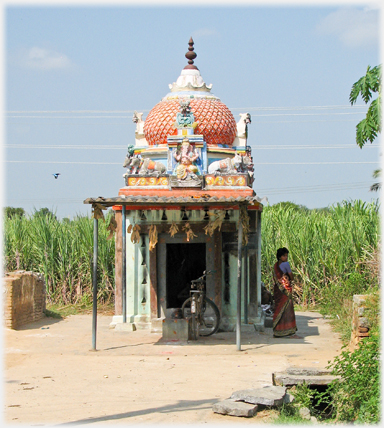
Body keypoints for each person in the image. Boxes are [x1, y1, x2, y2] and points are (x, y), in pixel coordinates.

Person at [272, 247, 300, 338]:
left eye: (287, 256)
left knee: (278, 307)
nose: (286, 257)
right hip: (285, 289)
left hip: (278, 289)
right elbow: (291, 276)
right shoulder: (286, 264)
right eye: (284, 256)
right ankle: (287, 329)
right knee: (287, 308)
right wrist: (290, 278)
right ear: (280, 257)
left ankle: (278, 330)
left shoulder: (275, 266)